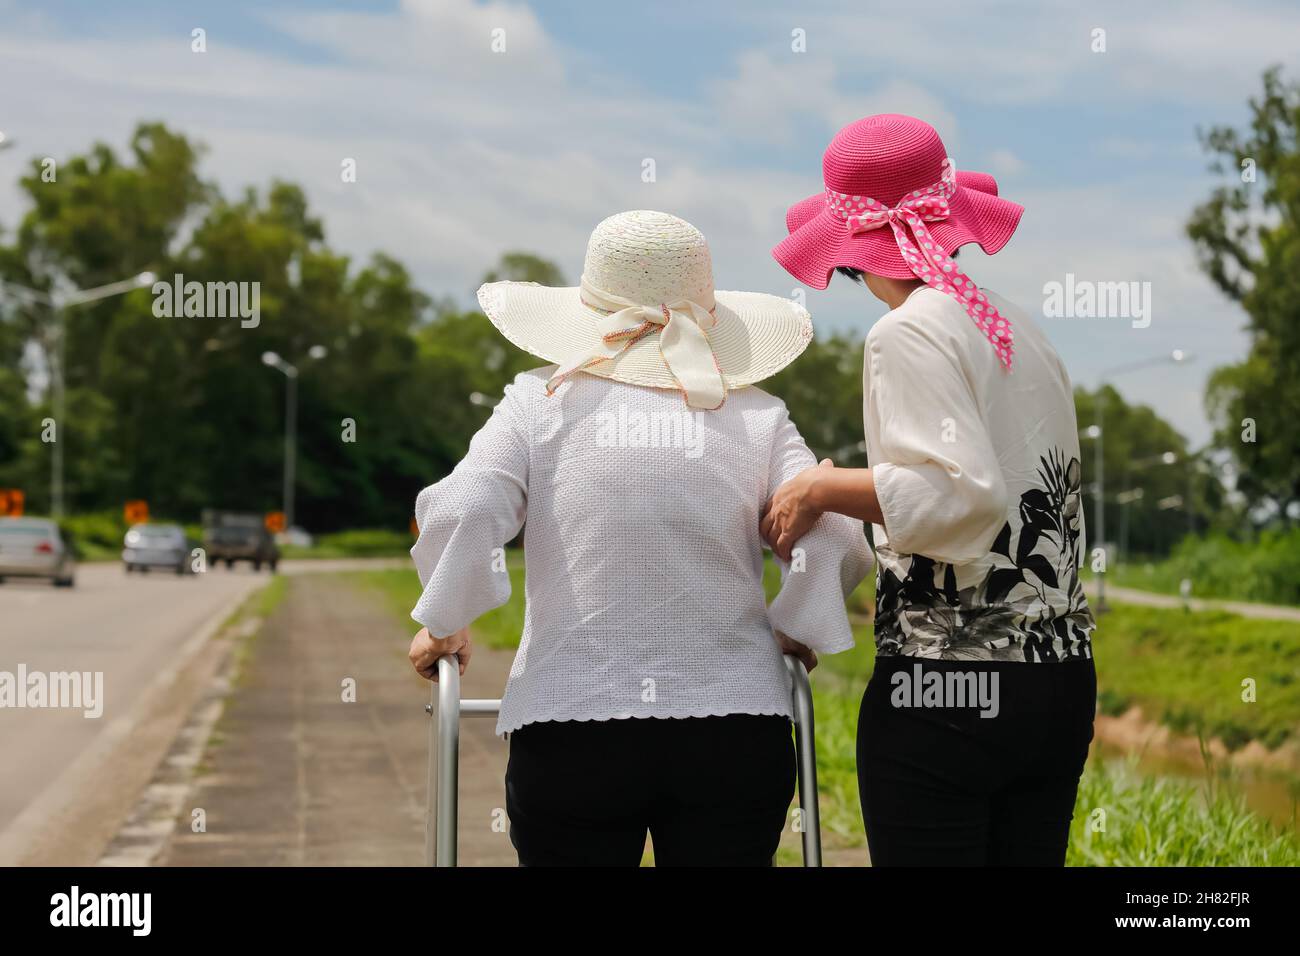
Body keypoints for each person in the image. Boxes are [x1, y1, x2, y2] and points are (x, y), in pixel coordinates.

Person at [407, 210, 872, 866]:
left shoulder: (538, 401)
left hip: (572, 724)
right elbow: (836, 533)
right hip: (734, 730)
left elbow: (467, 506)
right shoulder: (760, 417)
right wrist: (801, 624)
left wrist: (445, 619)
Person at [763, 114, 1096, 866]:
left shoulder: (907, 331)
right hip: (1059, 678)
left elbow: (956, 500)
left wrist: (821, 487)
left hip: (948, 684)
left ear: (850, 249)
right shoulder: (1015, 326)